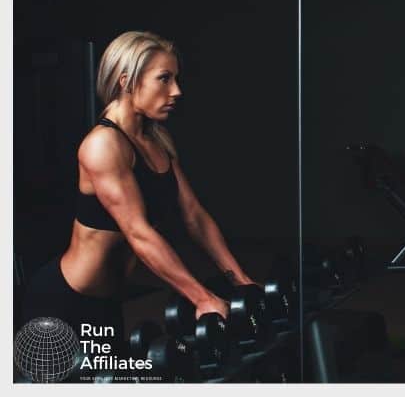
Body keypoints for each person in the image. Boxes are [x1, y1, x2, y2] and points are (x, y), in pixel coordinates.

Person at [22, 31, 258, 354]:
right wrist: (202, 299)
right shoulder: (103, 146)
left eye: (175, 78)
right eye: (164, 79)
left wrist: (241, 281)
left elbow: (195, 216)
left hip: (107, 304)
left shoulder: (157, 142)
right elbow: (138, 233)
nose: (176, 90)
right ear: (126, 81)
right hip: (63, 302)